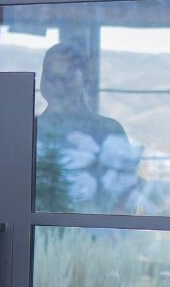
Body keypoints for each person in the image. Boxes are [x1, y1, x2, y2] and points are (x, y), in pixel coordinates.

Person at [34, 41, 138, 215]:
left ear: (86, 80)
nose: (58, 86)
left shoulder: (108, 130)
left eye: (66, 78)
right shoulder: (27, 130)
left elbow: (123, 196)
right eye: (51, 77)